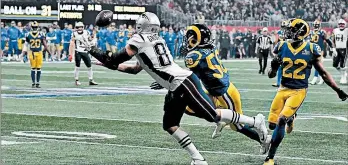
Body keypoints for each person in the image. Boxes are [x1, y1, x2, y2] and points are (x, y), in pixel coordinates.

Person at [84, 11, 268, 165]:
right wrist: (108, 62)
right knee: (170, 125)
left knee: (213, 115)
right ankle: (198, 159)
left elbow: (115, 59)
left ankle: (254, 121)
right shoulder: (156, 40)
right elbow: (133, 69)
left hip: (183, 83)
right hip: (176, 85)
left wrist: (94, 51)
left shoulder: (139, 39)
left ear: (142, 25)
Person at [264, 18, 348, 165]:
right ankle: (291, 118)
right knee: (271, 125)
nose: (288, 31)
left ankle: (270, 158)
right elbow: (271, 74)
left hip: (298, 91)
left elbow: (323, 73)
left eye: (291, 29)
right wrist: (274, 66)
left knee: (281, 120)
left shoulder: (311, 49)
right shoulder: (282, 46)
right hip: (282, 89)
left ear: (300, 32)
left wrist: (338, 90)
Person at [180, 23, 270, 154]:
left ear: (199, 39)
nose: (188, 41)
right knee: (188, 107)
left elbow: (190, 76)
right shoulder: (208, 47)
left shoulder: (195, 55)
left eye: (192, 38)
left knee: (237, 127)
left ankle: (262, 135)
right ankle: (221, 119)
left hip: (224, 93)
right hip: (214, 90)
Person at [68, 22, 98, 86]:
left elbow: (90, 39)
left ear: (83, 27)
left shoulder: (86, 32)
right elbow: (72, 43)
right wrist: (70, 54)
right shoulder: (74, 34)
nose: (79, 28)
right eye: (78, 27)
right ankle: (76, 80)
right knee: (77, 66)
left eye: (81, 27)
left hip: (85, 51)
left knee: (89, 66)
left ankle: (91, 80)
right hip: (77, 51)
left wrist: (94, 34)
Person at [308, 20, 335, 85]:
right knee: (317, 65)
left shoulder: (322, 32)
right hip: (312, 50)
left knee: (318, 65)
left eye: (317, 25)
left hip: (319, 50)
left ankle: (316, 78)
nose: (316, 26)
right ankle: (321, 79)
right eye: (315, 25)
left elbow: (328, 40)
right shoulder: (311, 32)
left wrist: (332, 47)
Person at [24, 21, 49, 88]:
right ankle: (36, 83)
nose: (35, 28)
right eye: (34, 27)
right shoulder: (41, 34)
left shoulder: (28, 34)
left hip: (32, 52)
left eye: (35, 27)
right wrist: (46, 52)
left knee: (35, 68)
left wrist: (24, 54)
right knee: (37, 69)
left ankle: (34, 83)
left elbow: (26, 45)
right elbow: (45, 45)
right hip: (36, 52)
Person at [272, 20, 289, 87]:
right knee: (285, 67)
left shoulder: (279, 32)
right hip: (287, 50)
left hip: (281, 50)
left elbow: (276, 41)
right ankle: (282, 82)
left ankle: (279, 82)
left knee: (280, 67)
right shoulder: (289, 32)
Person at [332, 19, 348, 84]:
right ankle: (344, 73)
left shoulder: (347, 30)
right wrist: (333, 48)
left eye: (342, 24)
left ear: (345, 25)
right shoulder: (335, 30)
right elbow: (333, 40)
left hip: (344, 49)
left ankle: (343, 77)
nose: (341, 25)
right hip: (337, 49)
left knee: (342, 65)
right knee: (335, 64)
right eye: (340, 24)